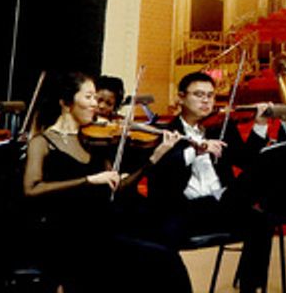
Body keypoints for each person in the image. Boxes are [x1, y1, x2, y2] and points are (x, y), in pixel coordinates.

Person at [22, 71, 190, 292]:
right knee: (159, 262)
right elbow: (32, 189)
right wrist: (88, 180)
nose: (96, 104)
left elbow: (117, 188)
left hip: (101, 228)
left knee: (168, 259)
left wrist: (154, 158)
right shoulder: (43, 142)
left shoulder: (93, 140)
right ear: (66, 103)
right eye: (89, 97)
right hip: (68, 235)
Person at [145, 70, 277, 293]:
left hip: (222, 204)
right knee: (159, 240)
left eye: (210, 95)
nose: (206, 101)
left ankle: (250, 288)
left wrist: (260, 124)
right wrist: (196, 150)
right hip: (186, 211)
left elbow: (247, 161)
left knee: (261, 221)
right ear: (181, 97)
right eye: (198, 95)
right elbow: (161, 171)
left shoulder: (220, 127)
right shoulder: (164, 132)